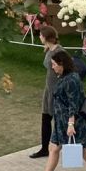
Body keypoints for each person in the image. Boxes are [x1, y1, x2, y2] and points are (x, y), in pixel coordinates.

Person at [26, 49, 86, 171]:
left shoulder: (71, 80)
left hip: (72, 123)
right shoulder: (64, 76)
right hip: (61, 122)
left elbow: (73, 103)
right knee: (54, 148)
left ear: (62, 64)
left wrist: (71, 124)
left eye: (54, 64)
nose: (52, 67)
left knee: (83, 150)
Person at [29, 26, 63, 159]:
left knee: (61, 120)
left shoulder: (59, 51)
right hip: (48, 90)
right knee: (46, 118)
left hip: (58, 91)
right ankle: (44, 148)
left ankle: (78, 143)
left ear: (46, 37)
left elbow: (66, 70)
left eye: (41, 35)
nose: (39, 37)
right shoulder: (49, 49)